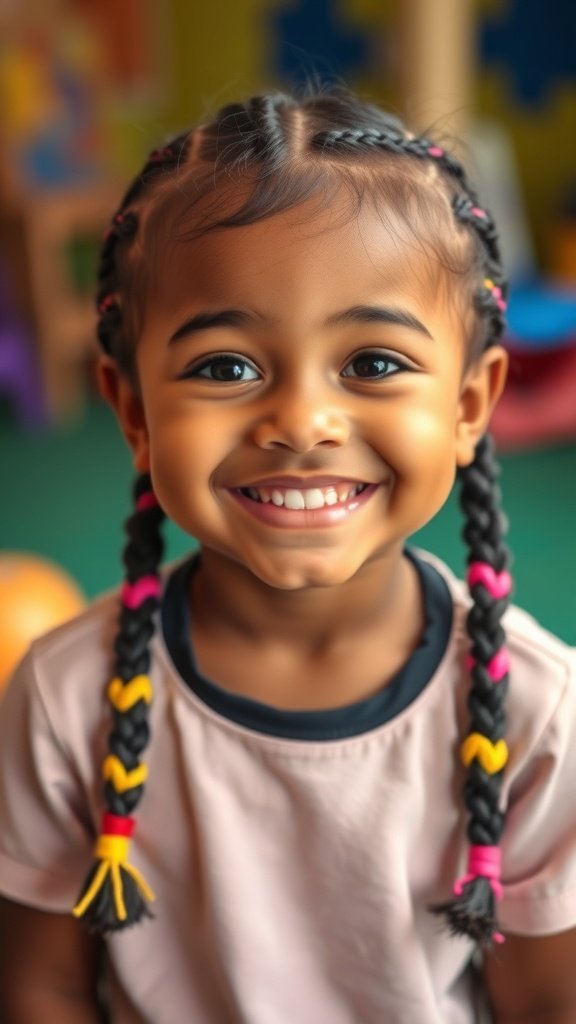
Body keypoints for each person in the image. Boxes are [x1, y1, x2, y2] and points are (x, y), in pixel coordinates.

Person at [0, 87, 575, 1024]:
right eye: (225, 367)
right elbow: (43, 987)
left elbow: (545, 1003)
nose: (303, 422)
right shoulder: (65, 700)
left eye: (375, 364)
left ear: (470, 405)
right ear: (135, 410)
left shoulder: (541, 714)